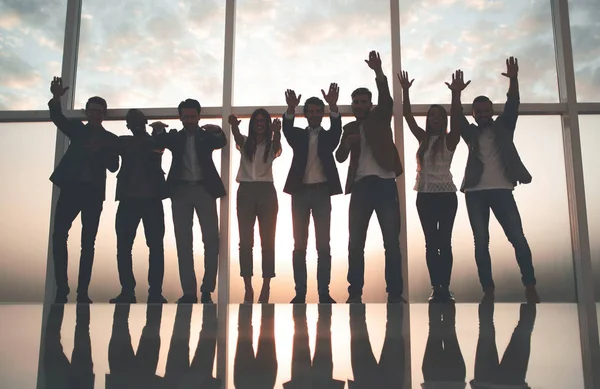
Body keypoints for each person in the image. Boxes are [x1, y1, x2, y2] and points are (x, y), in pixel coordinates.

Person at [449, 58, 540, 303]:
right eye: (477, 112)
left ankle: (530, 285)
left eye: (485, 110)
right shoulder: (471, 133)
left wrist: (513, 78)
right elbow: (456, 117)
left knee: (517, 237)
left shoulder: (504, 127)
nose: (482, 114)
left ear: (492, 111)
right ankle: (488, 290)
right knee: (481, 242)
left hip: (502, 190)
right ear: (474, 114)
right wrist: (456, 94)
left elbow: (513, 104)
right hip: (475, 192)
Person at [336, 51, 404, 304]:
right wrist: (347, 142)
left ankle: (395, 294)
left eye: (364, 102)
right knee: (356, 243)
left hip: (385, 184)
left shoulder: (380, 116)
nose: (360, 105)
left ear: (370, 104)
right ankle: (355, 293)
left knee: (391, 243)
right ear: (353, 105)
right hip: (361, 187)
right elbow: (340, 157)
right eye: (357, 102)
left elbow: (386, 99)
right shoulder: (350, 128)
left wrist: (378, 72)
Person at [48, 76, 119, 304]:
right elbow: (57, 118)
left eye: (99, 111)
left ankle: (82, 293)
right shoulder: (77, 130)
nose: (95, 114)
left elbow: (114, 166)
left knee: (88, 243)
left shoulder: (110, 139)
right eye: (92, 111)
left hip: (93, 195)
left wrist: (105, 151)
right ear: (87, 113)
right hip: (71, 190)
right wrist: (56, 98)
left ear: (103, 114)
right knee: (59, 236)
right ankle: (62, 289)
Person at [151, 98, 227, 304]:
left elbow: (221, 142)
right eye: (186, 117)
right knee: (184, 243)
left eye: (193, 116)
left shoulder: (206, 136)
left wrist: (218, 130)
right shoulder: (175, 137)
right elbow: (158, 143)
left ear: (199, 116)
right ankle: (189, 293)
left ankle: (207, 290)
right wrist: (157, 131)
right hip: (181, 192)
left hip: (204, 190)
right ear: (181, 118)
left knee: (212, 241)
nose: (190, 120)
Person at [397, 70, 462, 301]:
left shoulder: (451, 138)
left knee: (444, 242)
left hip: (446, 197)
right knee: (430, 243)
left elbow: (457, 117)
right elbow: (406, 116)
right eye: (432, 114)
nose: (435, 117)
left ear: (444, 119)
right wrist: (405, 90)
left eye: (439, 115)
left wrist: (456, 94)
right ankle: (436, 288)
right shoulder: (423, 139)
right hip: (424, 197)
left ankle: (445, 287)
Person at [282, 83, 343, 304]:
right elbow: (287, 130)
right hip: (300, 193)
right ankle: (300, 293)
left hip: (321, 192)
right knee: (299, 245)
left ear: (323, 114)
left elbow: (337, 131)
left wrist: (334, 106)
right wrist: (290, 109)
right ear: (305, 115)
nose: (315, 115)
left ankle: (324, 293)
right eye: (311, 112)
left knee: (323, 245)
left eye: (319, 112)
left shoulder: (328, 137)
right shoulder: (297, 136)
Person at [109, 109, 168, 304]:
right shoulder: (123, 142)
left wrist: (159, 133)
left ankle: (153, 293)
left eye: (139, 122)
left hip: (150, 200)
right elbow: (112, 163)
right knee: (126, 247)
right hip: (130, 200)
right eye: (132, 122)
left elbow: (160, 149)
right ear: (127, 125)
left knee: (154, 247)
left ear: (145, 122)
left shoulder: (154, 142)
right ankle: (130, 291)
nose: (136, 125)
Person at [229, 110, 282, 304]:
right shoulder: (245, 143)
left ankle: (266, 285)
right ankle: (248, 286)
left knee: (268, 241)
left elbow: (277, 148)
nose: (260, 124)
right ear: (252, 124)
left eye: (263, 121)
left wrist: (277, 132)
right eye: (257, 121)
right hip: (246, 192)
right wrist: (234, 125)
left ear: (267, 124)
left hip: (266, 192)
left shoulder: (271, 144)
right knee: (245, 241)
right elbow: (236, 136)